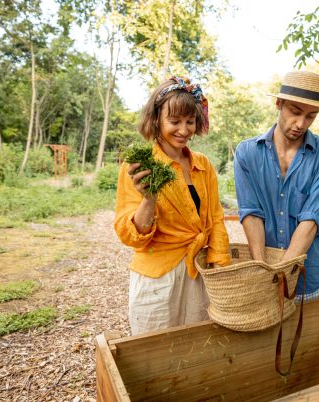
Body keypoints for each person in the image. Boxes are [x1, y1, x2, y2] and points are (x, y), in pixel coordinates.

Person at [114, 76, 231, 335]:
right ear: (156, 119)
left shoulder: (203, 164)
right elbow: (132, 237)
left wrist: (220, 265)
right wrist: (149, 198)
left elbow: (215, 219)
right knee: (153, 348)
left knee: (194, 345)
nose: (183, 130)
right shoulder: (139, 167)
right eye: (174, 121)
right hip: (158, 276)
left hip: (197, 271)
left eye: (190, 121)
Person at [233, 70, 319, 300]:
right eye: (295, 112)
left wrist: (282, 274)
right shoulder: (247, 153)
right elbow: (251, 213)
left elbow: (312, 221)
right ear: (279, 103)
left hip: (310, 279)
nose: (301, 123)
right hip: (266, 277)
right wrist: (263, 270)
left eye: (311, 116)